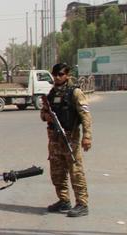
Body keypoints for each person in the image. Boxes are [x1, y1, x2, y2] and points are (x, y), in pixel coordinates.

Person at [41, 62, 92, 217]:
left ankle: (82, 204)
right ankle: (64, 201)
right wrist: (46, 116)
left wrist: (87, 136)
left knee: (76, 171)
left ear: (67, 75)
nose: (57, 77)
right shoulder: (51, 94)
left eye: (61, 74)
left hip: (70, 138)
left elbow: (85, 115)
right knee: (57, 172)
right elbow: (43, 114)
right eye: (55, 74)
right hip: (54, 140)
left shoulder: (75, 93)